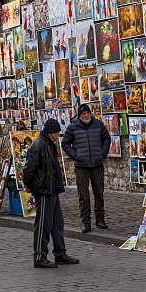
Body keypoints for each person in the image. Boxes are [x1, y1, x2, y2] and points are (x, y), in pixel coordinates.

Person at [22, 118, 79, 269]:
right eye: (57, 133)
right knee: (43, 224)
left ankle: (60, 253)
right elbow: (29, 169)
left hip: (52, 188)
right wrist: (30, 185)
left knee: (57, 223)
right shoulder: (38, 145)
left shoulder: (48, 144)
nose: (58, 136)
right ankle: (39, 256)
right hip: (43, 189)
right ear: (51, 133)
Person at [62, 102, 111, 232]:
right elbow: (65, 143)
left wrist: (103, 153)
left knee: (99, 193)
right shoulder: (73, 127)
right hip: (81, 166)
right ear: (79, 115)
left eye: (88, 113)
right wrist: (75, 155)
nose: (86, 115)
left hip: (97, 164)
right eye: (83, 113)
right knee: (83, 196)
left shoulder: (98, 124)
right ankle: (86, 222)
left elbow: (106, 138)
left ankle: (100, 219)